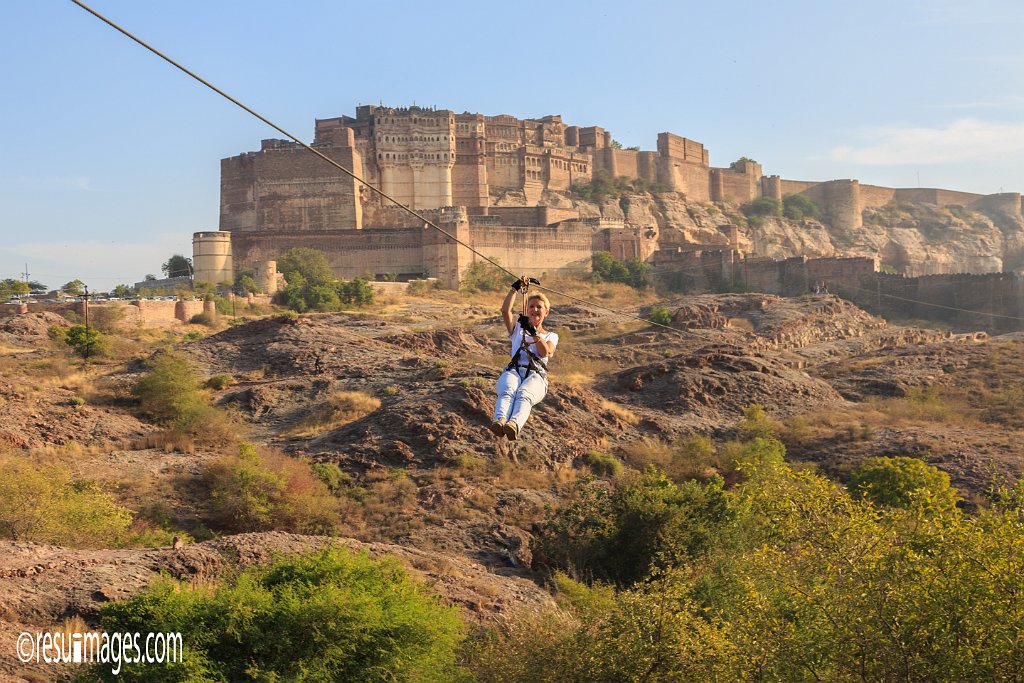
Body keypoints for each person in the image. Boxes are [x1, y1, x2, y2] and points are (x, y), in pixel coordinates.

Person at [491, 277, 558, 440]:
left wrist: (534, 333)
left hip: (536, 376)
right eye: (532, 307)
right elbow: (505, 311)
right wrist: (515, 288)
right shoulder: (518, 329)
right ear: (527, 310)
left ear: (546, 312)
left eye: (539, 307)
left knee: (524, 394)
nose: (535, 310)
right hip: (514, 370)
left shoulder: (551, 336)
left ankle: (513, 424)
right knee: (508, 390)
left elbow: (545, 352)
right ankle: (500, 421)